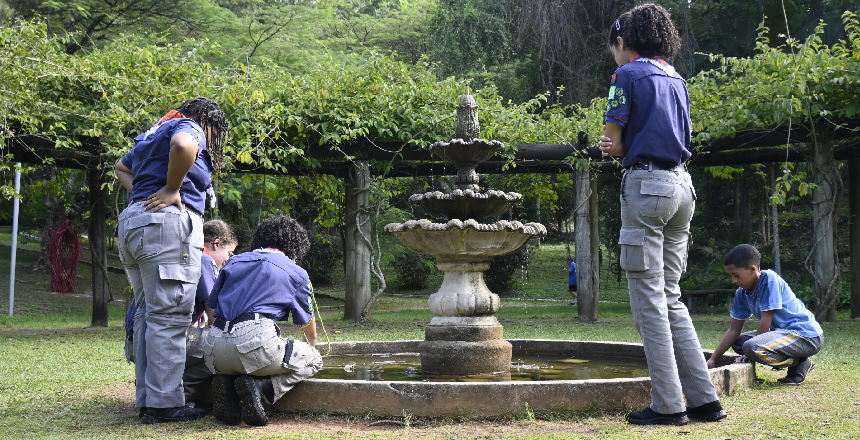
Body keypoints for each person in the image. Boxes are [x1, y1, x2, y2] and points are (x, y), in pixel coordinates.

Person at [597, 4, 724, 426]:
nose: (613, 57)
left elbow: (612, 140)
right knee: (670, 297)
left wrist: (607, 145)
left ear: (623, 42)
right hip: (681, 187)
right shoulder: (676, 78)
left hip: (647, 187)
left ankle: (669, 406)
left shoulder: (626, 75)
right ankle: (705, 400)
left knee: (649, 301)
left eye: (613, 48)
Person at [116, 97, 228, 424]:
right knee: (168, 314)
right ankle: (165, 404)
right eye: (214, 130)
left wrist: (144, 196)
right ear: (205, 118)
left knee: (148, 313)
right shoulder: (187, 126)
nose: (212, 136)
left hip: (134, 222)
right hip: (166, 226)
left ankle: (148, 400)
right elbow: (183, 145)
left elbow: (121, 167)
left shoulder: (153, 133)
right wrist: (170, 189)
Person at [203, 215, 323, 427]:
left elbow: (212, 310)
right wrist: (309, 348)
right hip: (254, 345)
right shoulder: (296, 272)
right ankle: (262, 387)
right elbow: (308, 329)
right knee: (314, 359)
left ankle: (230, 389)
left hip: (214, 351)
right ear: (295, 247)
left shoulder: (233, 261)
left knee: (241, 354)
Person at [123, 219, 238, 408]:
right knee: (226, 344)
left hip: (137, 344)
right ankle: (178, 393)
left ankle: (157, 385)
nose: (228, 260)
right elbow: (214, 318)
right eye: (230, 253)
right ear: (216, 244)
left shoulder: (172, 252)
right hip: (163, 341)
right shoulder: (203, 258)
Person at [707, 244, 823, 385]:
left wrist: (750, 353)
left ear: (752, 269)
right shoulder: (741, 293)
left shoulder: (769, 279)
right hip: (781, 334)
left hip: (805, 335)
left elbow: (766, 319)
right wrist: (713, 359)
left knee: (750, 347)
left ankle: (800, 362)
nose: (734, 281)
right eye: (731, 276)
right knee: (738, 343)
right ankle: (799, 361)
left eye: (736, 275)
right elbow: (734, 330)